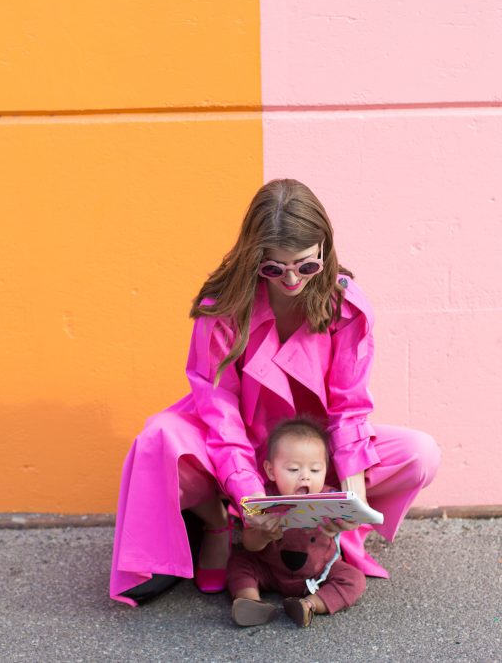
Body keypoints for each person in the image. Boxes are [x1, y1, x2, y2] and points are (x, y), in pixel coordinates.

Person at [110, 179, 440, 606]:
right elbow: (220, 412)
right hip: (233, 446)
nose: (291, 279)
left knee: (420, 452)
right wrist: (251, 498)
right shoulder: (223, 309)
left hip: (310, 456)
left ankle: (328, 532)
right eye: (274, 268)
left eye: (305, 266)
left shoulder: (347, 307)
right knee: (157, 441)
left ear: (323, 250)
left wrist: (351, 494)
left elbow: (348, 409)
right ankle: (218, 523)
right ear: (254, 258)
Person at [228, 416, 366, 628]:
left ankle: (309, 605)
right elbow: (249, 543)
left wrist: (347, 518)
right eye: (293, 470)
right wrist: (263, 534)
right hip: (269, 569)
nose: (305, 477)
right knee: (240, 562)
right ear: (271, 471)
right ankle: (250, 601)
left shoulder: (331, 499)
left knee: (354, 579)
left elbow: (352, 518)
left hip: (319, 572)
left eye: (315, 470)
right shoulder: (265, 500)